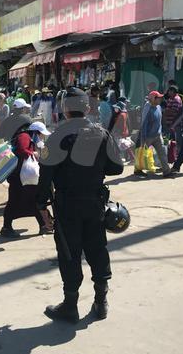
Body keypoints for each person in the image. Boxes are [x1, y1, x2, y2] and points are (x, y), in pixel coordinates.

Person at [35, 87, 124, 323]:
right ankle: (101, 302)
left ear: (65, 109)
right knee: (97, 249)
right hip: (94, 204)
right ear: (86, 108)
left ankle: (70, 306)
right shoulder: (102, 133)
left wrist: (42, 208)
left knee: (69, 253)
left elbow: (44, 177)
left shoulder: (56, 137)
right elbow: (117, 168)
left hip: (67, 206)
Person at [1, 115, 53, 238]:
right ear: (36, 132)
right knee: (15, 201)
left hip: (24, 177)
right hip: (19, 177)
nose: (42, 137)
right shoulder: (24, 137)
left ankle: (44, 225)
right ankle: (6, 227)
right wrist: (34, 154)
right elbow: (22, 150)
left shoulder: (30, 138)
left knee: (32, 200)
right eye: (41, 134)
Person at [137, 91, 174, 178]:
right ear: (153, 99)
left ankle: (166, 171)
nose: (160, 99)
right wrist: (143, 138)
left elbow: (160, 121)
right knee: (142, 154)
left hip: (158, 135)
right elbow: (144, 124)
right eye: (159, 98)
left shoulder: (158, 107)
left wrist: (162, 131)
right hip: (148, 137)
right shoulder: (147, 108)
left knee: (162, 153)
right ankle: (137, 169)